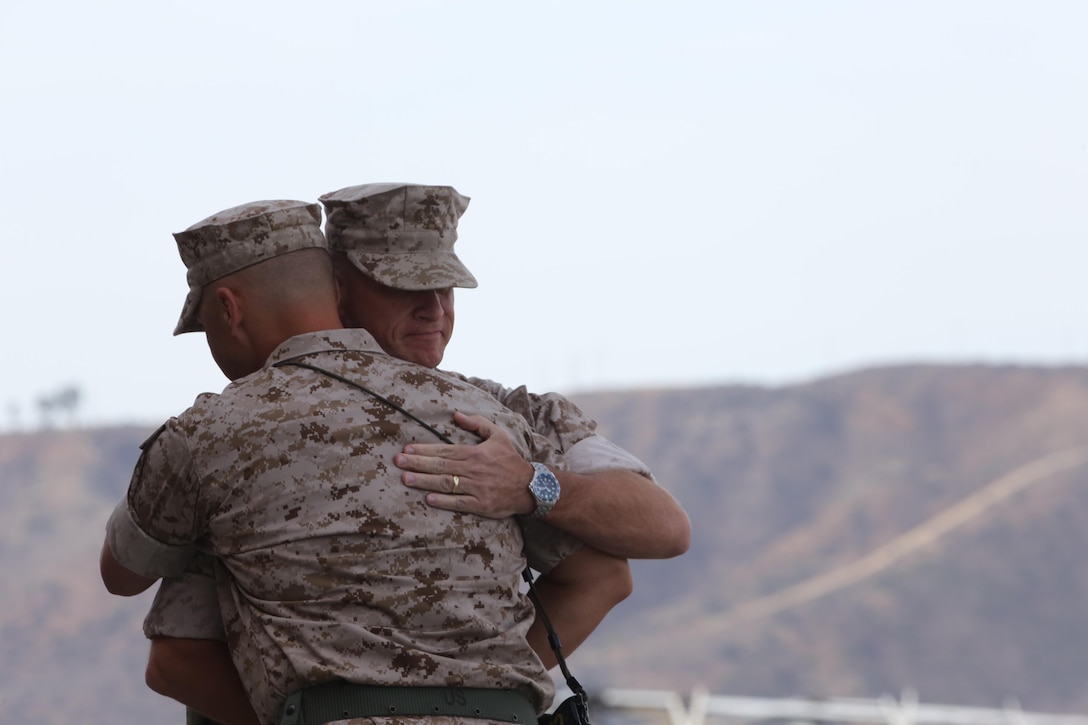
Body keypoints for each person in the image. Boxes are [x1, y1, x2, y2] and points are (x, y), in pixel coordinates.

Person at [100, 200, 625, 725]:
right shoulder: (485, 418)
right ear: (334, 291)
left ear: (228, 309)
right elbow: (605, 574)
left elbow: (124, 577)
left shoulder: (208, 436)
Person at [320, 182, 690, 560]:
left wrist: (528, 485)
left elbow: (665, 527)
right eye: (404, 286)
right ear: (338, 288)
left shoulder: (500, 409)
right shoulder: (281, 402)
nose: (434, 309)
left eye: (444, 286)